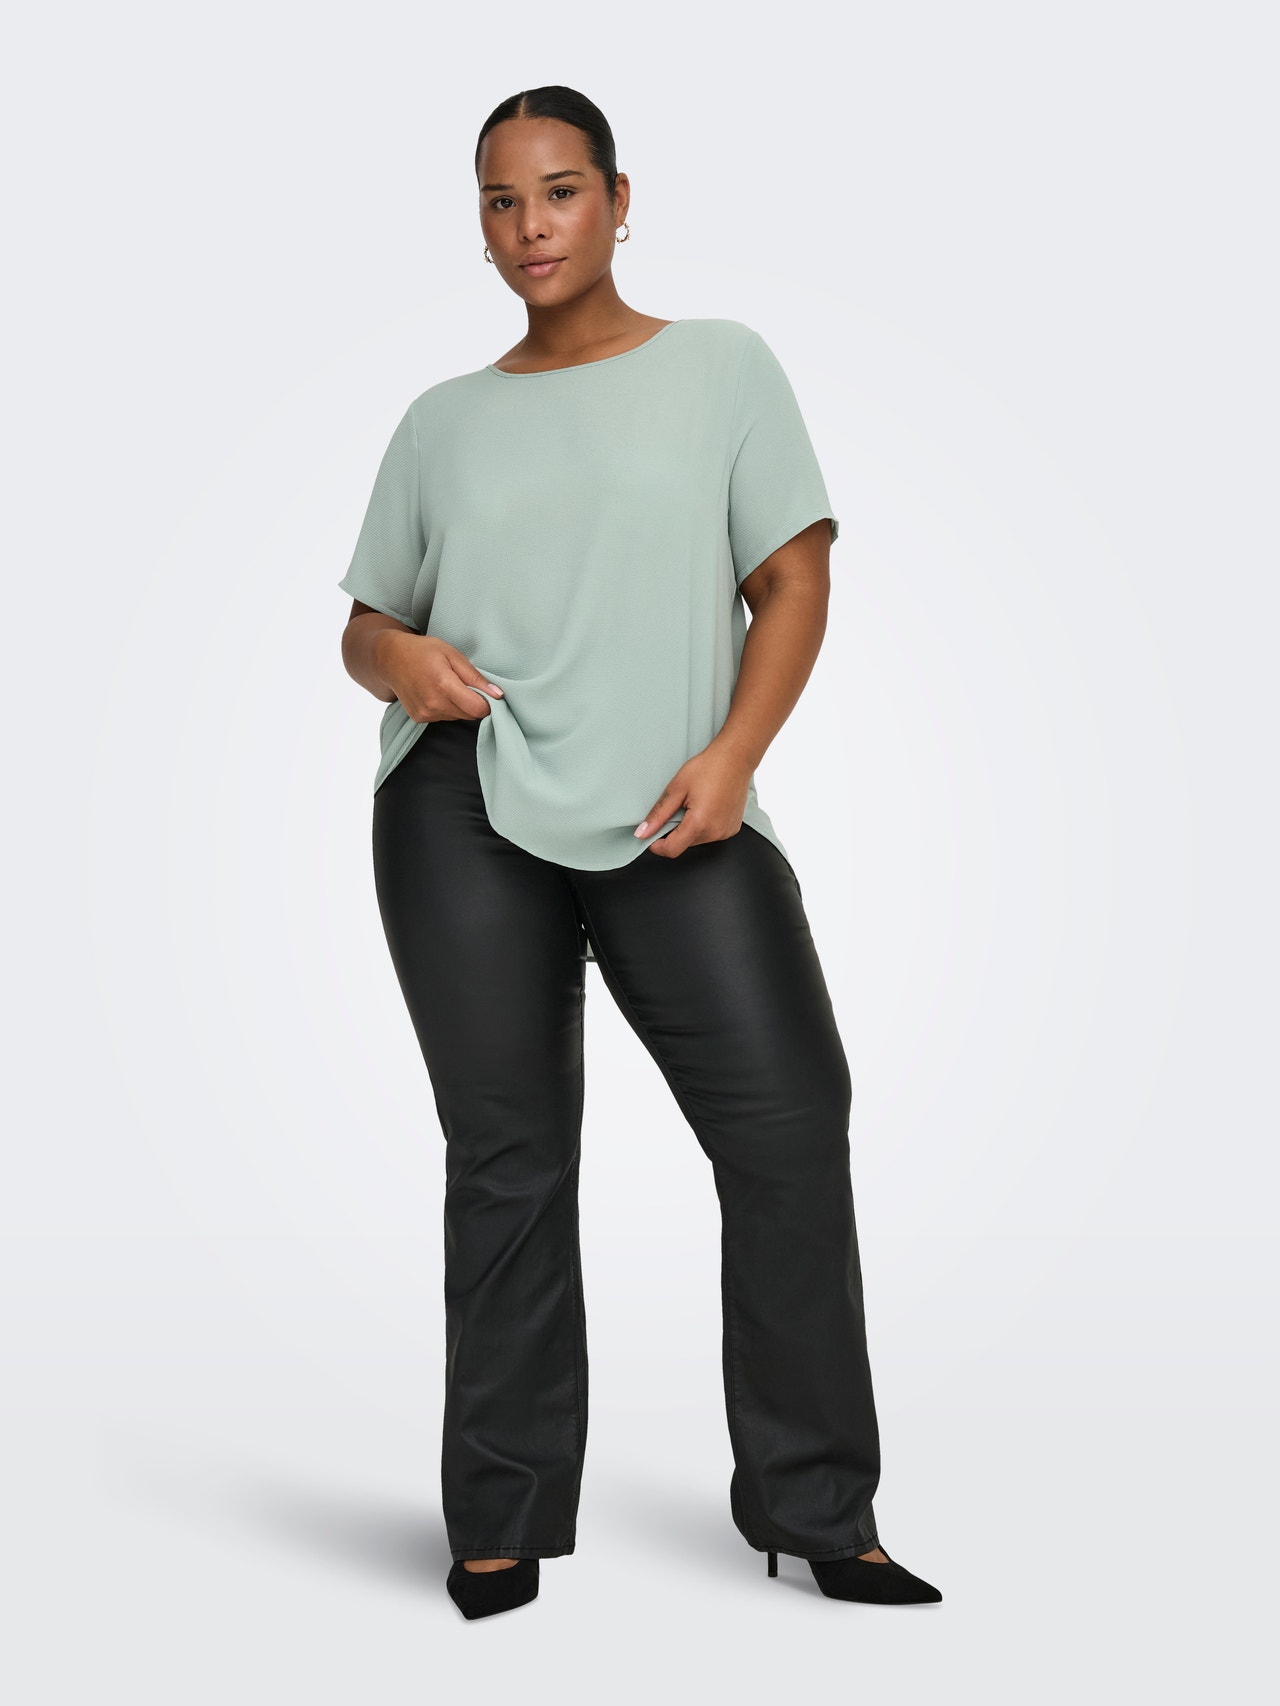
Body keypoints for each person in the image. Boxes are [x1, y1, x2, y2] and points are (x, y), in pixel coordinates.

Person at [337, 85, 942, 1622]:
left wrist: (734, 757)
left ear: (618, 199)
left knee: (790, 1123)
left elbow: (791, 581)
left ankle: (818, 1508)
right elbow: (365, 626)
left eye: (559, 190)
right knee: (511, 1155)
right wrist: (403, 661)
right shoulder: (441, 421)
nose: (530, 225)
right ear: (481, 227)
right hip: (462, 802)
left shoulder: (721, 367)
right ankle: (501, 1515)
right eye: (500, 201)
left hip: (680, 806)